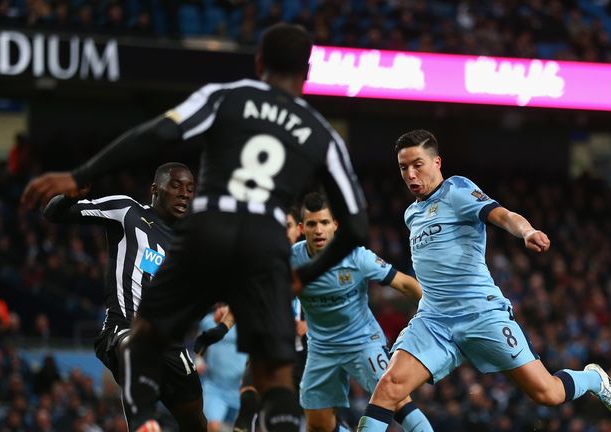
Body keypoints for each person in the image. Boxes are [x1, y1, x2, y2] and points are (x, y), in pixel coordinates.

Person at [21, 23, 368, 432]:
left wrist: (81, 172)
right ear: (307, 72)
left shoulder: (227, 97)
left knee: (146, 335)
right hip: (265, 247)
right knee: (274, 379)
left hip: (208, 231)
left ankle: (145, 416)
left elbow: (159, 132)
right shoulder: (322, 133)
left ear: (259, 63)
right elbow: (358, 226)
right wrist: (301, 275)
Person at [356, 130, 611, 432]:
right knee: (389, 386)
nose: (410, 174)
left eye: (417, 164)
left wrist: (526, 231)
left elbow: (503, 215)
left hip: (480, 315)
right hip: (434, 320)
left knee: (547, 394)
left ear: (436, 162)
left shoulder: (456, 190)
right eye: (403, 167)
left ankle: (594, 379)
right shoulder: (412, 213)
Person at [42, 162, 205, 431]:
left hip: (171, 343)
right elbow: (53, 214)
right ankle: (142, 424)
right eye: (175, 185)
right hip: (124, 329)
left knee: (197, 424)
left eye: (190, 188)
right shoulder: (127, 210)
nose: (184, 193)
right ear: (155, 188)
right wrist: (69, 197)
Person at [293, 192, 432, 432]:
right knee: (317, 424)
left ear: (335, 225)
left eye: (324, 223)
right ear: (300, 227)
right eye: (312, 223)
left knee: (397, 398)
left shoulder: (357, 257)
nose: (318, 230)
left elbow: (406, 284)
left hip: (363, 342)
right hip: (321, 348)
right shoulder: (291, 260)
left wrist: (436, 312)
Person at [193, 209, 307, 432]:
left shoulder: (311, 262)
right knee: (248, 408)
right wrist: (223, 327)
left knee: (310, 422)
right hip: (264, 352)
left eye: (287, 226)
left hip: (305, 358)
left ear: (299, 230)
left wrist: (310, 326)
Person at [194, 304, 247, 432]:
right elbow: (198, 345)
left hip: (240, 388)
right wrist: (198, 360)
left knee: (242, 428)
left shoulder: (246, 321)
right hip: (215, 386)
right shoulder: (207, 321)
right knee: (212, 426)